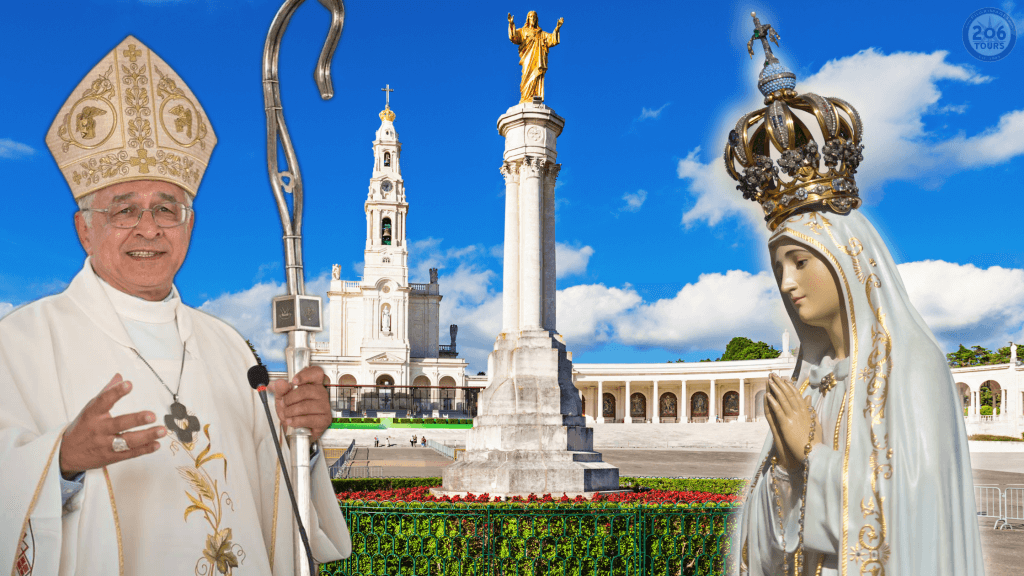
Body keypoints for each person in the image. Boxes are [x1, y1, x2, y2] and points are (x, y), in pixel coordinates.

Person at [0, 36, 350, 574]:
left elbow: (274, 494)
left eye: (167, 208)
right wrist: (63, 460)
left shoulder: (231, 348)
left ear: (189, 227)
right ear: (84, 230)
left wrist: (302, 436)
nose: (148, 228)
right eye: (123, 210)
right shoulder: (20, 344)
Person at [730, 14, 983, 574]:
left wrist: (808, 456)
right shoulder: (813, 381)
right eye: (778, 268)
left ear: (848, 262)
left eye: (800, 260)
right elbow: (772, 537)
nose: (788, 282)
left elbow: (918, 522)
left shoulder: (912, 366)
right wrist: (782, 472)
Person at [507, 11, 563, 103]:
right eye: (530, 17)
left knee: (536, 75)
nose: (532, 19)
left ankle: (534, 95)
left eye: (534, 17)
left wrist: (557, 28)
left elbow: (552, 40)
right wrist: (511, 23)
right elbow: (514, 37)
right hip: (527, 58)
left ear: (536, 19)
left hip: (538, 58)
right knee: (526, 76)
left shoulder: (541, 33)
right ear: (528, 19)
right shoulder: (523, 31)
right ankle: (526, 96)